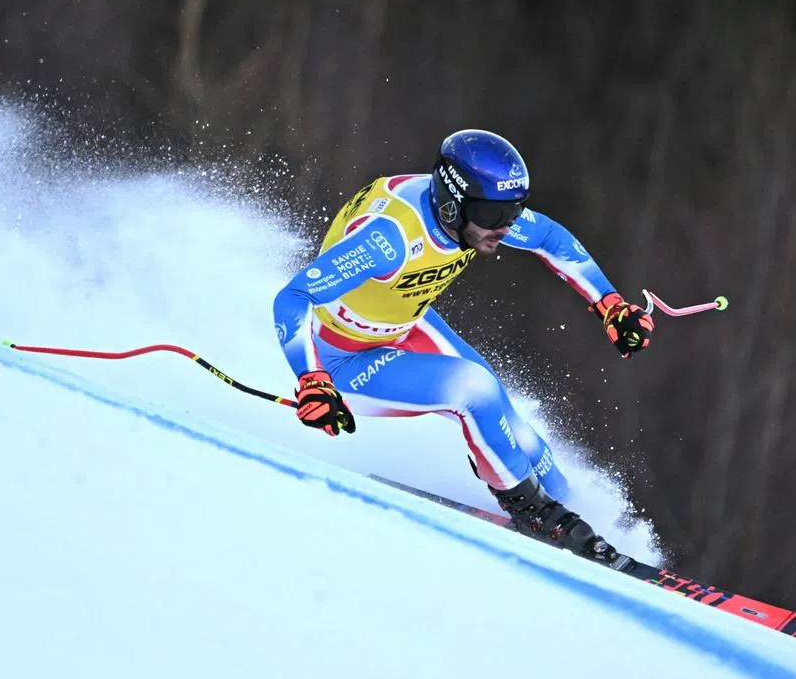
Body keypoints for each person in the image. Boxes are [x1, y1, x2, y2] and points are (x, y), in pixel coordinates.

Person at [272, 129, 654, 565]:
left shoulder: (475, 214)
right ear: (453, 204)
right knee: (474, 390)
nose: (506, 226)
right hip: (341, 360)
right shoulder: (389, 240)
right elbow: (293, 297)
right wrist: (312, 379)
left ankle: (575, 513)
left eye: (514, 211)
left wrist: (609, 303)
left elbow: (550, 238)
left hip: (403, 326)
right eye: (495, 215)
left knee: (515, 429)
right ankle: (528, 509)